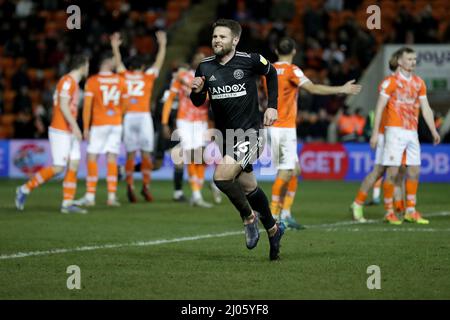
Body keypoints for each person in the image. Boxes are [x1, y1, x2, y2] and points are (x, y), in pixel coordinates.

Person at [190, 19, 283, 260]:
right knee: (250, 187)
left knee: (221, 177)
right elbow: (198, 102)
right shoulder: (204, 67)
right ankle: (274, 230)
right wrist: (196, 91)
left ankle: (248, 218)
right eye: (214, 37)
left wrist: (272, 106)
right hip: (225, 137)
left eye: (222, 37)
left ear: (235, 40)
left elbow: (272, 72)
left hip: (250, 133)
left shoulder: (249, 60)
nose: (217, 40)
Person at [268, 37, 361, 229]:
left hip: (276, 126)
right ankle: (273, 216)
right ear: (294, 51)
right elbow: (313, 88)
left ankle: (285, 213)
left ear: (276, 50)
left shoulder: (267, 69)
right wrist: (341, 89)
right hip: (282, 127)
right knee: (286, 172)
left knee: (294, 171)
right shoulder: (292, 70)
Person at [370, 47, 440, 224]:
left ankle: (410, 210)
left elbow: (426, 108)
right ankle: (388, 211)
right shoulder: (390, 82)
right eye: (409, 59)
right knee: (392, 171)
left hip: (411, 131)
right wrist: (375, 133)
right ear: (400, 61)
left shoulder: (419, 82)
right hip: (394, 131)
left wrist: (433, 130)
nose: (413, 62)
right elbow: (379, 107)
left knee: (414, 171)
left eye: (415, 59)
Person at [15, 55, 89, 213]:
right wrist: (75, 126)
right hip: (61, 129)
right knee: (58, 168)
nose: (88, 68)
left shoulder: (73, 83)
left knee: (74, 163)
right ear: (82, 66)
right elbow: (63, 105)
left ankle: (67, 203)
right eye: (87, 64)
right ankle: (24, 189)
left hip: (69, 130)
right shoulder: (68, 81)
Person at [110, 31, 167, 203]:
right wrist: (162, 45)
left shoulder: (124, 75)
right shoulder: (147, 76)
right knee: (146, 153)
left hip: (128, 117)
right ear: (142, 67)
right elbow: (159, 62)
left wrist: (114, 47)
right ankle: (146, 186)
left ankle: (129, 184)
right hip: (143, 117)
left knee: (130, 153)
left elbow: (118, 62)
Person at [162, 53, 216, 208]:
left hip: (201, 121)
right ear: (192, 61)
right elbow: (170, 100)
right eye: (196, 57)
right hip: (184, 120)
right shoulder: (181, 76)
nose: (199, 59)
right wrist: (165, 122)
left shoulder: (210, 78)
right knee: (192, 154)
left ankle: (197, 192)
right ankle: (197, 194)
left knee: (200, 157)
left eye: (202, 58)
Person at [75, 52, 128, 207]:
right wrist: (118, 114)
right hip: (115, 123)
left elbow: (87, 107)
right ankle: (111, 196)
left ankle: (90, 196)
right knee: (112, 157)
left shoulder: (92, 81)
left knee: (92, 157)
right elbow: (125, 104)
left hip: (99, 123)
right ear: (109, 63)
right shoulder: (120, 80)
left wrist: (85, 127)